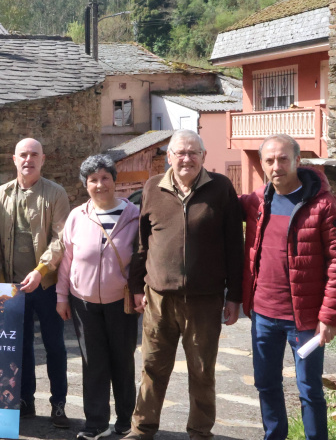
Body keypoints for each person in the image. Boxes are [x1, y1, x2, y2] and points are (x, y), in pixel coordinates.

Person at [125, 129, 243, 440]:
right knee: (152, 368)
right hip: (158, 298)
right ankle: (142, 429)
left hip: (205, 300)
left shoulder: (221, 188)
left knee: (202, 371)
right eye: (180, 153)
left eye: (193, 153)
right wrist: (136, 287)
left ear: (204, 157)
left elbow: (234, 244)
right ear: (169, 158)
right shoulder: (152, 187)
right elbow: (141, 243)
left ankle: (200, 432)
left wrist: (236, 295)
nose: (186, 158)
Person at [240, 134, 336, 440]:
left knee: (309, 391)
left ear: (297, 161)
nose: (276, 166)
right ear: (262, 164)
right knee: (265, 384)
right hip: (263, 315)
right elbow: (216, 209)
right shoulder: (257, 201)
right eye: (269, 160)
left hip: (304, 320)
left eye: (283, 159)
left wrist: (330, 317)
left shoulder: (324, 206)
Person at [56, 154, 141, 440]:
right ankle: (95, 422)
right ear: (85, 185)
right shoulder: (77, 216)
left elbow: (141, 260)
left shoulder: (134, 215)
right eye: (93, 180)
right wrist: (61, 296)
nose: (100, 184)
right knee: (93, 363)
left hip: (122, 302)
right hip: (83, 302)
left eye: (105, 178)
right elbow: (66, 259)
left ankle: (126, 420)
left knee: (123, 360)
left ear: (115, 181)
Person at [0, 137, 70, 427]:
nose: (28, 159)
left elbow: (61, 239)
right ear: (14, 159)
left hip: (45, 285)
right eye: (23, 154)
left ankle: (58, 403)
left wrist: (40, 270)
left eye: (34, 154)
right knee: (19, 347)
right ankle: (25, 399)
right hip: (14, 288)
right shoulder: (0, 194)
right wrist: (1, 283)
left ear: (43, 159)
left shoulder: (55, 193)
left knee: (55, 347)